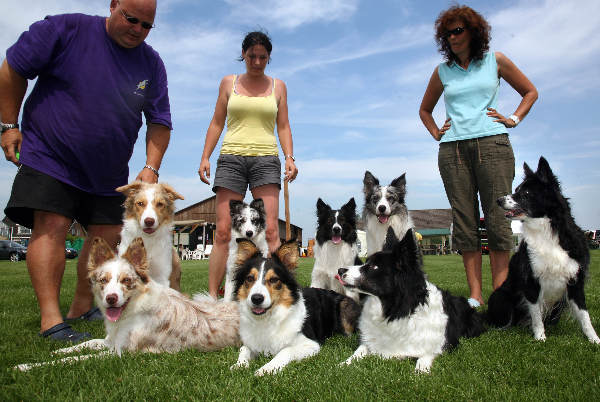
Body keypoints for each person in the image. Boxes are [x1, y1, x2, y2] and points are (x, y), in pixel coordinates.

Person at [0, 0, 172, 341]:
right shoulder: (66, 30)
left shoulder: (151, 63)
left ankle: (83, 307)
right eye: (131, 19)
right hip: (52, 154)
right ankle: (52, 321)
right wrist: (8, 124)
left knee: (103, 243)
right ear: (114, 5)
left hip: (109, 171)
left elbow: (160, 121)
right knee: (51, 226)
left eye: (146, 25)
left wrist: (151, 167)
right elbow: (12, 67)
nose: (137, 29)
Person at [419, 5, 538, 308]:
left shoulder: (495, 61)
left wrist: (513, 118)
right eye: (447, 33)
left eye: (458, 30)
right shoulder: (442, 71)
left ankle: (500, 296)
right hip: (453, 150)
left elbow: (530, 92)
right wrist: (437, 132)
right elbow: (425, 109)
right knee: (465, 221)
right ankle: (475, 296)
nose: (453, 37)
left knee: (498, 218)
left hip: (493, 145)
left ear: (474, 31)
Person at [198, 31, 298, 299]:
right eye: (251, 56)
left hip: (266, 159)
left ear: (269, 57)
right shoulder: (228, 83)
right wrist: (205, 156)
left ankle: (275, 294)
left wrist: (290, 157)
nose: (256, 61)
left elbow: (284, 125)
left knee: (272, 231)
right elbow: (217, 121)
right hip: (231, 158)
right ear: (243, 54)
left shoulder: (279, 87)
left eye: (262, 57)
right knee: (222, 232)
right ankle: (214, 298)